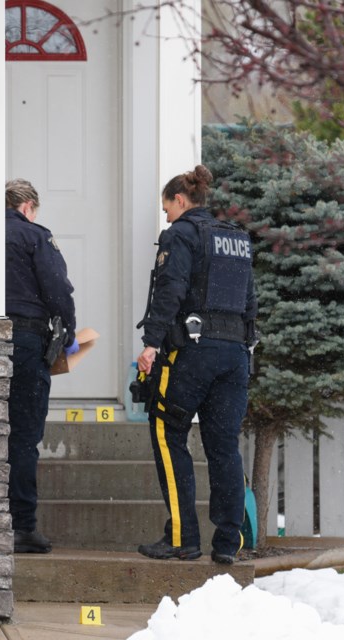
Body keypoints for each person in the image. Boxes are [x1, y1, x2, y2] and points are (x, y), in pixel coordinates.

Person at [135, 164, 257, 564]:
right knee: (224, 448)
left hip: (193, 352)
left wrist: (151, 344)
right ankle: (228, 543)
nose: (166, 216)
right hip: (235, 355)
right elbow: (249, 300)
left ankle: (182, 538)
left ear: (181, 200)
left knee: (167, 432)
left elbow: (169, 291)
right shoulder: (237, 239)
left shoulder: (180, 235)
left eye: (167, 207)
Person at [5, 178, 78, 554]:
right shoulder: (35, 236)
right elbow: (57, 289)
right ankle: (22, 526)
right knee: (24, 434)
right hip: (27, 339)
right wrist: (69, 329)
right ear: (28, 207)